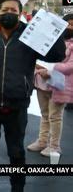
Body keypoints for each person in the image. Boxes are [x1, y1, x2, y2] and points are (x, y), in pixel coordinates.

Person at [0, 0, 66, 192]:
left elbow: (57, 55)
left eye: (14, 11)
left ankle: (17, 188)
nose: (9, 13)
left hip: (17, 105)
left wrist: (53, 29)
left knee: (16, 153)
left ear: (20, 14)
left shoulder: (31, 36)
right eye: (5, 10)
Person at [27, 13, 73, 156]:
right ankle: (42, 141)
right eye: (68, 24)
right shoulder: (50, 38)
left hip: (58, 84)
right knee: (45, 114)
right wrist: (37, 67)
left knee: (55, 116)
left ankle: (54, 146)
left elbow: (70, 66)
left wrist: (51, 70)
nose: (70, 27)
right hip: (42, 81)